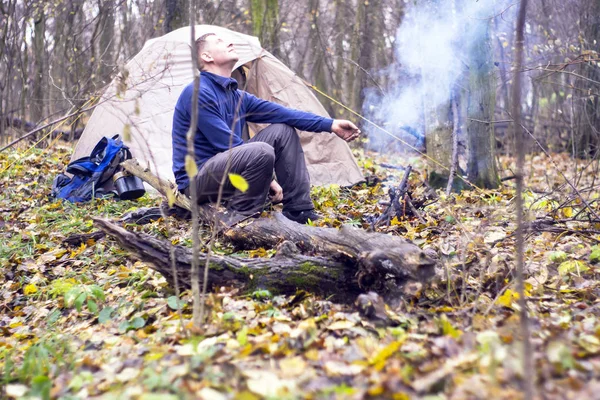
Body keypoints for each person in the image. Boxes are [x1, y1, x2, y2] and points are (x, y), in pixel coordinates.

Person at [171, 33, 360, 224]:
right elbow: (226, 144)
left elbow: (285, 114)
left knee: (282, 131)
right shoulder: (198, 92)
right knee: (261, 151)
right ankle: (241, 218)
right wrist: (270, 180)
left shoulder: (237, 97)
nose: (229, 42)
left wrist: (331, 124)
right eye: (220, 40)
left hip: (226, 170)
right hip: (198, 181)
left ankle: (298, 210)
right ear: (207, 57)